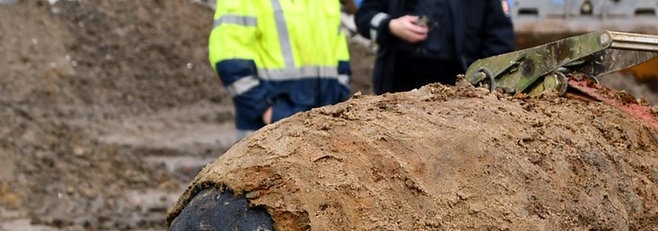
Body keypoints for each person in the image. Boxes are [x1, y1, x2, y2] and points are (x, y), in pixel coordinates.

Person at [209, 0, 353, 140]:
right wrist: (264, 110)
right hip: (269, 135)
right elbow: (229, 58)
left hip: (325, 127)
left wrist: (340, 95)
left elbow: (339, 54)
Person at [355, 0, 514, 94]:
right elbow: (365, 16)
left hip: (460, 89)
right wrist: (390, 25)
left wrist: (484, 86)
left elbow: (499, 38)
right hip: (398, 87)